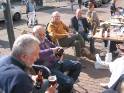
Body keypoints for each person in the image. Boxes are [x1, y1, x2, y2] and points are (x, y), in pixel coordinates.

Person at [32, 25, 82, 93]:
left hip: (57, 63)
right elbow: (39, 54)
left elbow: (56, 47)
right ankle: (66, 86)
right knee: (69, 81)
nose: (42, 36)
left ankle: (65, 87)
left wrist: (60, 51)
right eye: (40, 34)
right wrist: (52, 51)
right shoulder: (31, 44)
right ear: (33, 34)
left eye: (44, 34)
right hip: (47, 69)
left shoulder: (45, 39)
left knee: (77, 64)